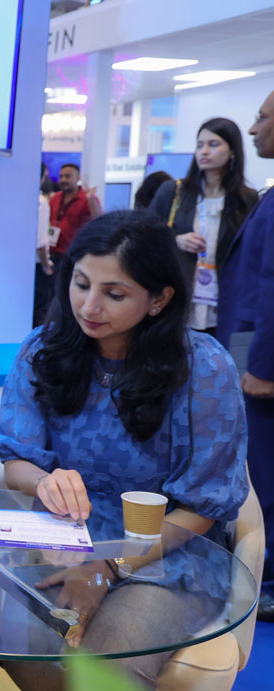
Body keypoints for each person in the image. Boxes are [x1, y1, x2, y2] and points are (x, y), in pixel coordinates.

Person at [0, 209, 248, 688]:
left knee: (109, 668)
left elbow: (202, 506)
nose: (89, 306)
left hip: (170, 554)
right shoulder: (43, 349)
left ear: (159, 299)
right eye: (81, 283)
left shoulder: (204, 369)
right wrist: (46, 481)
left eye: (114, 294)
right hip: (64, 543)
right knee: (23, 648)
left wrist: (109, 566)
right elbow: (16, 461)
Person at [218, 89, 274, 621]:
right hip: (250, 348)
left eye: (262, 118)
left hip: (262, 363)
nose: (254, 128)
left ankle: (268, 578)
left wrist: (262, 366)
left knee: (265, 471)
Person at [149, 118, 258, 335]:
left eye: (213, 144)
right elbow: (143, 235)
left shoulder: (247, 199)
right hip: (177, 295)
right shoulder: (173, 191)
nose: (204, 151)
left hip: (224, 301)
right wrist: (176, 240)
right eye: (200, 145)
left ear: (232, 151)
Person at [48, 163, 102, 260]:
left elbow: (98, 220)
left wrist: (91, 199)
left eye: (67, 176)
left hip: (74, 253)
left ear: (78, 178)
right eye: (61, 176)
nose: (63, 180)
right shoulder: (55, 198)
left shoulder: (88, 198)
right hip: (52, 251)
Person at [33, 162, 55, 327]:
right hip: (37, 267)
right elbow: (40, 243)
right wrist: (47, 267)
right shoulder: (40, 202)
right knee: (39, 312)